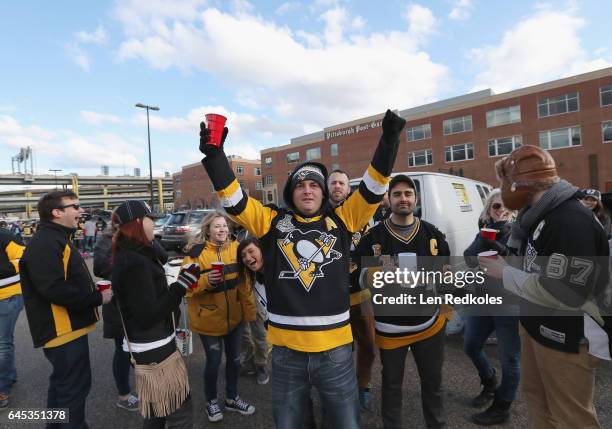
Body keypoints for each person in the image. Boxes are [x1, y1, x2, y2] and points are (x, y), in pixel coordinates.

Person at [199, 108, 405, 428]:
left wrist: (389, 140)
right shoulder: (270, 222)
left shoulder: (342, 219)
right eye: (300, 185)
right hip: (286, 355)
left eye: (314, 185)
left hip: (336, 352)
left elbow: (373, 188)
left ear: (323, 193)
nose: (307, 189)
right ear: (291, 193)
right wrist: (215, 156)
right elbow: (235, 200)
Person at [480, 145, 610, 428]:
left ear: (520, 182)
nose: (502, 189)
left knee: (571, 417)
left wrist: (505, 274)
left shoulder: (568, 220)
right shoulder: (538, 215)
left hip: (568, 336)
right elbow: (537, 267)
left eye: (505, 180)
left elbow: (566, 291)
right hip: (538, 327)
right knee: (538, 402)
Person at [354, 175, 451, 429]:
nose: (403, 199)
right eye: (397, 194)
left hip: (429, 325)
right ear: (389, 199)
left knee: (433, 385)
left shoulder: (433, 234)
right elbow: (356, 276)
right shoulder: (373, 237)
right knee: (391, 387)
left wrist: (447, 313)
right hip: (390, 329)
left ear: (415, 199)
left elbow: (446, 276)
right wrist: (380, 271)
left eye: (408, 193)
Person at [19, 190, 113, 428]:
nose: (81, 211)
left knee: (62, 386)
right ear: (56, 213)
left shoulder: (56, 238)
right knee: (73, 390)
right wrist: (97, 298)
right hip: (62, 330)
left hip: (66, 330)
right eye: (75, 206)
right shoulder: (46, 242)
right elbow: (54, 289)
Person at [111, 200, 199, 428]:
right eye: (151, 220)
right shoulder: (135, 261)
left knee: (155, 410)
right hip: (153, 347)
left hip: (149, 344)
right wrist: (181, 285)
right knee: (179, 410)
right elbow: (148, 315)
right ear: (139, 222)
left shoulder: (133, 253)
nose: (155, 225)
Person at [182, 211, 257, 422]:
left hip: (235, 319)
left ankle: (232, 398)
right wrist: (207, 282)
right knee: (213, 361)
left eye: (224, 225)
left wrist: (249, 313)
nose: (222, 229)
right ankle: (211, 402)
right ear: (208, 230)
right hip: (207, 319)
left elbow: (245, 284)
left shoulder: (236, 249)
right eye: (217, 226)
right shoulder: (195, 254)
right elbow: (185, 287)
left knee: (234, 360)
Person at [462, 190, 520, 425]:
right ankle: (489, 382)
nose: (502, 210)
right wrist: (484, 238)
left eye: (506, 206)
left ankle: (502, 406)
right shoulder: (485, 230)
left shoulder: (519, 232)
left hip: (509, 302)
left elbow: (516, 263)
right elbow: (468, 258)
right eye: (496, 206)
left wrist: (496, 246)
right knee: (471, 345)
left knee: (510, 359)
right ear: (489, 209)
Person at [327, 168, 376, 412]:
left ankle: (363, 386)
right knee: (336, 351)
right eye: (333, 183)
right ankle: (338, 392)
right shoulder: (319, 215)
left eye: (342, 183)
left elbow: (375, 249)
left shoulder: (363, 214)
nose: (337, 187)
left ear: (348, 189)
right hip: (329, 299)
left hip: (360, 294)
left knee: (368, 345)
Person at [93, 223, 139, 412]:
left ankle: (149, 388)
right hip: (118, 304)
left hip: (141, 302)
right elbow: (99, 268)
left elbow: (158, 258)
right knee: (123, 350)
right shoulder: (105, 241)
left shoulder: (141, 238)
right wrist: (120, 247)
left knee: (142, 349)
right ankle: (124, 395)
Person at [237, 237, 270, 385]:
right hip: (239, 300)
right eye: (244, 255)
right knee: (243, 336)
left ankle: (261, 365)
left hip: (257, 303)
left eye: (223, 225)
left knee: (260, 334)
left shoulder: (274, 268)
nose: (222, 229)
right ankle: (248, 364)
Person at [0, 226, 25, 409]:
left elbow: (25, 259)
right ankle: (9, 375)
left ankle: (2, 389)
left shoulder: (6, 236)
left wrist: (3, 268)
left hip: (7, 296)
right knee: (4, 341)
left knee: (2, 343)